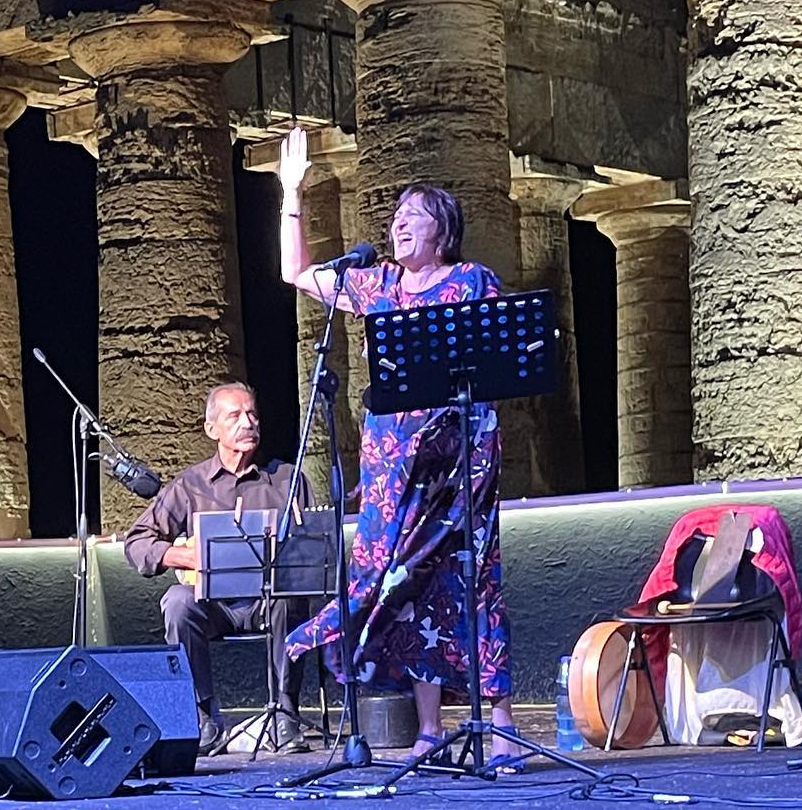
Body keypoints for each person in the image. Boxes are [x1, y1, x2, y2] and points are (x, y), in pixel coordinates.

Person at [274, 127, 523, 770]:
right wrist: (290, 194)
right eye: (397, 216)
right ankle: (430, 731)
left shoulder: (470, 281)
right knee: (400, 582)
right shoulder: (376, 284)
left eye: (415, 216)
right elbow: (293, 273)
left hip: (457, 464)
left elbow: (504, 356)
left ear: (444, 232)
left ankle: (499, 730)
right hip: (390, 469)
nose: (399, 224)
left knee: (470, 582)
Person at [124, 383, 312, 756]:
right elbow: (137, 542)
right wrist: (184, 556)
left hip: (268, 600)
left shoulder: (288, 480)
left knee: (289, 598)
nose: (248, 423)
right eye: (235, 416)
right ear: (212, 430)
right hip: (214, 605)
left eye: (252, 414)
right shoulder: (190, 485)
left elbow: (309, 550)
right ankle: (203, 717)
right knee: (177, 602)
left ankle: (284, 715)